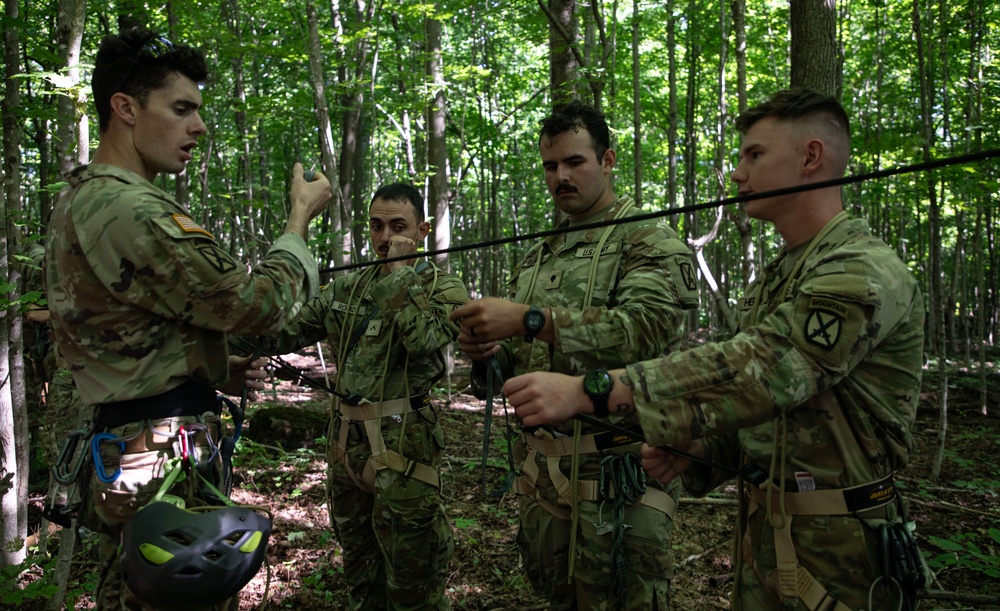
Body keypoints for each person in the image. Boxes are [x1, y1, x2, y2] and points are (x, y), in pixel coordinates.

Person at [503, 89, 927, 611]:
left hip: (846, 552)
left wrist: (596, 390)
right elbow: (782, 414)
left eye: (754, 155)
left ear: (811, 157)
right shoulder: (783, 276)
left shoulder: (859, 269)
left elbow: (766, 368)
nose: (736, 173)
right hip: (768, 536)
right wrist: (708, 452)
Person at [45, 27, 331, 610]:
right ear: (125, 109)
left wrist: (205, 372)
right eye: (181, 109)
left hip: (136, 449)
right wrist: (298, 225)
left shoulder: (84, 199)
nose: (198, 127)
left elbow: (123, 331)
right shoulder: (129, 206)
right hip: (158, 464)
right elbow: (258, 304)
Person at [450, 101, 699, 610]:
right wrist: (484, 355)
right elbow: (513, 368)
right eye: (549, 166)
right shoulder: (541, 253)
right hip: (545, 474)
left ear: (607, 161)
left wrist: (529, 319)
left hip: (622, 473)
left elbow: (643, 332)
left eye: (574, 162)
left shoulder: (649, 237)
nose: (560, 176)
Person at [255, 182, 469, 610]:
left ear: (423, 230)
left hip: (404, 452)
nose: (385, 237)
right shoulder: (348, 288)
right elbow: (282, 329)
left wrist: (400, 275)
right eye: (376, 226)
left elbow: (423, 339)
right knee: (361, 576)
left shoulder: (445, 289)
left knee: (413, 585)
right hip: (345, 450)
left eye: (397, 226)